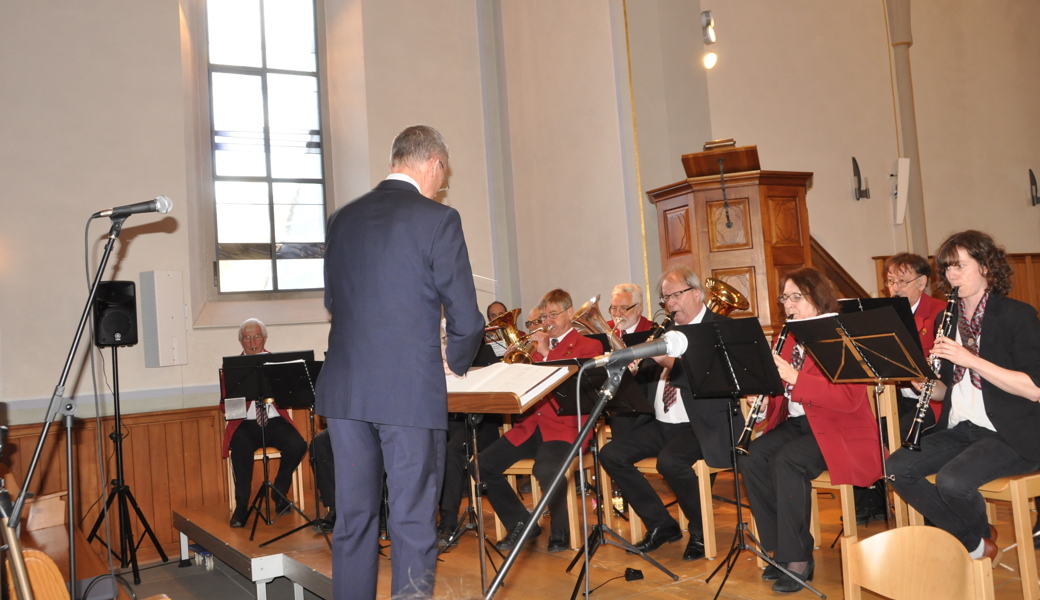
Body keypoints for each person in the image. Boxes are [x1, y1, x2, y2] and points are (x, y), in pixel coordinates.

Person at [315, 125, 484, 600]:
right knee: (411, 519)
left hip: (345, 391)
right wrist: (455, 359)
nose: (441, 186)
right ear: (433, 164)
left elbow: (332, 301)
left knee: (354, 519)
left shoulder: (341, 218)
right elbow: (467, 317)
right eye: (443, 177)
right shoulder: (438, 219)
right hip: (407, 391)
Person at [887, 230, 1040, 564]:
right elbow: (947, 388)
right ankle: (977, 541)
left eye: (960, 266)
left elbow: (1034, 389)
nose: (952, 275)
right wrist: (924, 383)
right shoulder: (947, 318)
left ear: (985, 266)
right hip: (962, 428)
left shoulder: (1017, 315)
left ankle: (974, 542)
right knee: (897, 468)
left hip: (1010, 433)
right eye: (947, 268)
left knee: (952, 481)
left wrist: (970, 359)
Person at [739, 267, 883, 594]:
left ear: (817, 298)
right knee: (752, 457)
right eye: (784, 298)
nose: (788, 304)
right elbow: (781, 392)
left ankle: (798, 558)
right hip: (799, 424)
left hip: (838, 427)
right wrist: (764, 400)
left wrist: (794, 378)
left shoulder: (840, 333)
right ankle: (780, 549)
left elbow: (848, 399)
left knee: (786, 460)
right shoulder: (788, 335)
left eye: (796, 297)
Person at [600, 267, 738, 561]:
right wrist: (635, 367)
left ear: (696, 294)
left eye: (675, 295)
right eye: (665, 298)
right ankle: (662, 524)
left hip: (702, 423)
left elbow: (712, 379)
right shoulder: (667, 330)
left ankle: (700, 530)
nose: (670, 303)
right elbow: (650, 373)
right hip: (662, 422)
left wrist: (666, 360)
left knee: (670, 462)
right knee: (611, 454)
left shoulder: (720, 328)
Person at [478, 289, 602, 553]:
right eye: (544, 317)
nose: (548, 322)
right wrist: (509, 366)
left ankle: (561, 528)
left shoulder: (589, 345)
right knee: (480, 465)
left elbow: (570, 383)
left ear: (570, 313)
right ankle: (521, 523)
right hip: (529, 428)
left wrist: (546, 355)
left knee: (546, 469)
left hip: (566, 429)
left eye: (554, 315)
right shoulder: (532, 349)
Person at [854, 252, 948, 525]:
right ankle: (874, 503)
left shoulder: (940, 312)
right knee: (863, 431)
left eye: (902, 282)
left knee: (899, 436)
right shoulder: (882, 314)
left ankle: (930, 512)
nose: (894, 288)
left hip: (933, 400)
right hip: (896, 396)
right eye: (890, 281)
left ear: (922, 283)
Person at [222, 318, 307, 528]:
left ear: (264, 338)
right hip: (246, 423)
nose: (252, 342)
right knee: (240, 448)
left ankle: (279, 491)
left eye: (256, 337)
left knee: (298, 444)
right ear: (241, 341)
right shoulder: (232, 367)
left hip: (274, 421)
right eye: (247, 338)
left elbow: (291, 396)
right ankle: (242, 507)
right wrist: (239, 399)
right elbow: (225, 406)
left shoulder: (277, 364)